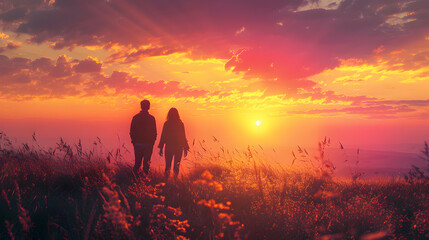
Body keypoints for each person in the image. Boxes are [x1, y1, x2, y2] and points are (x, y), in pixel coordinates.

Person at [158, 108, 190, 179]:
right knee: (176, 166)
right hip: (178, 148)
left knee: (168, 166)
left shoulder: (167, 124)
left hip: (169, 147)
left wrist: (161, 148)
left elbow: (163, 136)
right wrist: (185, 148)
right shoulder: (180, 124)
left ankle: (166, 181)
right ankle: (175, 181)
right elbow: (183, 136)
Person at [130, 100, 157, 176]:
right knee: (146, 164)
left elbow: (132, 131)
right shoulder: (152, 118)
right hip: (148, 145)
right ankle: (145, 182)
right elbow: (154, 132)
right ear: (149, 107)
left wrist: (134, 142)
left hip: (138, 144)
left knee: (137, 163)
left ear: (141, 106)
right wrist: (152, 143)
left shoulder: (135, 117)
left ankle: (134, 180)